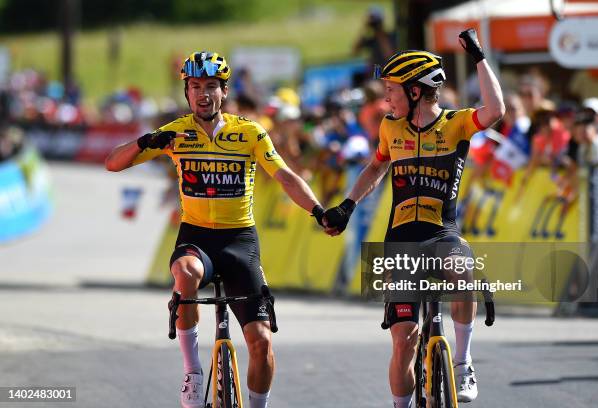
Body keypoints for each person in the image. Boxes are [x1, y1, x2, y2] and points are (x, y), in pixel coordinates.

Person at [105, 51, 326, 408]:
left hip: (240, 242)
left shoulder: (249, 132)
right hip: (196, 237)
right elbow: (113, 163)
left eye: (211, 86)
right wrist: (145, 142)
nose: (203, 94)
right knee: (185, 271)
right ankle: (192, 372)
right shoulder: (175, 132)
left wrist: (318, 210)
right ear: (187, 92)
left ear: (224, 91)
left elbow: (285, 176)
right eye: (195, 87)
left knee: (262, 342)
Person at [324, 29, 505, 406]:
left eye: (392, 88)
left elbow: (496, 111)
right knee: (404, 338)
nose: (386, 96)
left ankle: (462, 360)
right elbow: (375, 170)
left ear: (415, 92)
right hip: (402, 242)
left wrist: (479, 57)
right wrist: (348, 204)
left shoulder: (455, 124)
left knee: (463, 270)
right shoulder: (390, 128)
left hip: (442, 233)